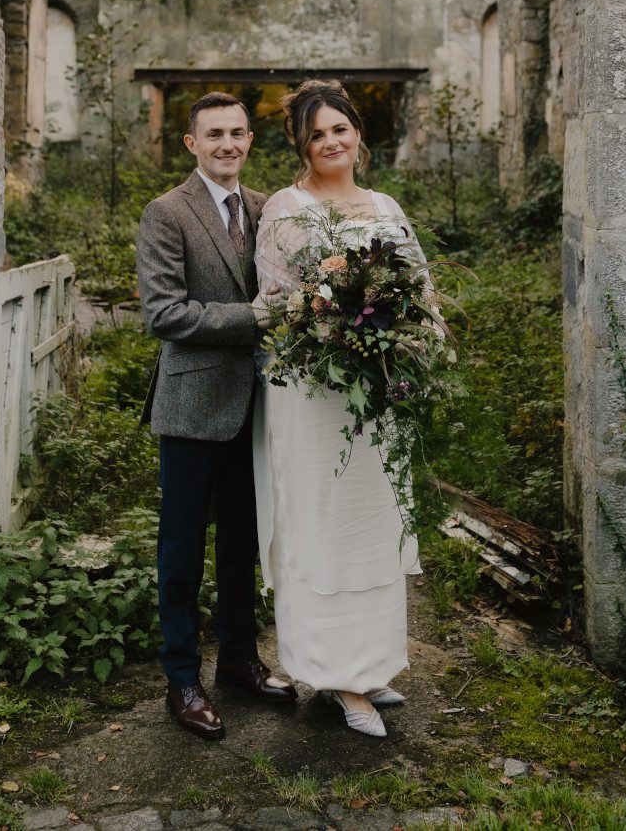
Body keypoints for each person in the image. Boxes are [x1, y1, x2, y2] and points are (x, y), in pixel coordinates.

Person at [252, 79, 434, 738]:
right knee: (321, 524)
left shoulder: (384, 205)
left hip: (376, 393)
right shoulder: (287, 207)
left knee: (372, 523)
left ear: (358, 133)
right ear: (302, 144)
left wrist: (417, 334)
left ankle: (374, 665)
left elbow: (419, 287)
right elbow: (272, 303)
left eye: (340, 129)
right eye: (317, 134)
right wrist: (326, 320)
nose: (331, 142)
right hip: (309, 393)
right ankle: (333, 677)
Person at [137, 92, 298, 741]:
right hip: (190, 407)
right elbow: (164, 313)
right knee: (180, 554)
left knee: (240, 547)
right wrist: (253, 318)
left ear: (251, 139)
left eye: (237, 132)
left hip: (256, 408)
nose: (227, 144)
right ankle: (182, 679)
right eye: (214, 135)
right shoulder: (167, 213)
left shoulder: (270, 211)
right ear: (191, 144)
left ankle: (238, 660)